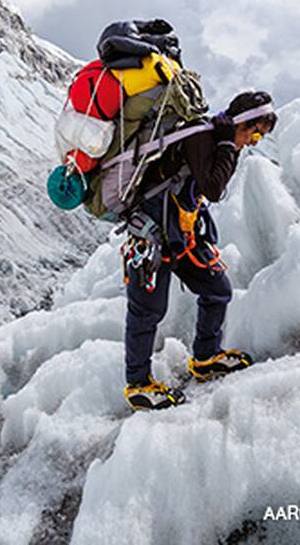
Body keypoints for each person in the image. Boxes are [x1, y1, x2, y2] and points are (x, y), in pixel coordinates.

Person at [122, 90, 278, 411]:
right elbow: (213, 188)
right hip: (150, 234)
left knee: (217, 289)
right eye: (256, 131)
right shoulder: (203, 138)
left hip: (180, 234)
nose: (256, 140)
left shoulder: (217, 139)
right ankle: (139, 385)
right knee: (147, 309)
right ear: (242, 122)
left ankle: (206, 358)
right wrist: (225, 146)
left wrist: (227, 146)